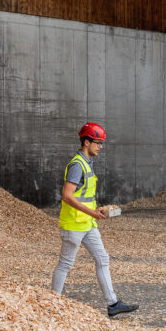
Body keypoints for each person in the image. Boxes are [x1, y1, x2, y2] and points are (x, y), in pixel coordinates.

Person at [51, 122, 138, 317]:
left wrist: (95, 211)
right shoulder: (77, 165)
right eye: (97, 143)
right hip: (75, 224)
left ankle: (113, 304)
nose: (100, 146)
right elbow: (67, 196)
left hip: (87, 223)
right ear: (86, 142)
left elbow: (83, 196)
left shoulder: (87, 163)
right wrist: (91, 213)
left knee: (102, 258)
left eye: (101, 143)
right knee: (65, 264)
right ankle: (51, 303)